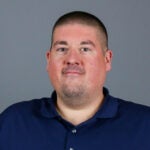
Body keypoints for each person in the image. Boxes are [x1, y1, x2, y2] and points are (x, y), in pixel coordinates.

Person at [0, 11, 150, 150]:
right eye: (62, 49)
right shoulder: (12, 122)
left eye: (85, 49)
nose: (72, 59)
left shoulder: (145, 126)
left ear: (107, 59)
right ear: (48, 59)